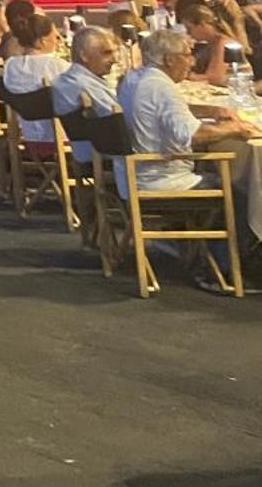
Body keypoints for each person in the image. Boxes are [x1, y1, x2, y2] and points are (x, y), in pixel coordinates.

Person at [118, 27, 260, 292]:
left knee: (227, 175)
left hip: (133, 175)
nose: (191, 61)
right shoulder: (161, 87)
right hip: (160, 180)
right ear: (169, 59)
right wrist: (235, 130)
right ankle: (221, 268)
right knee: (244, 192)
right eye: (186, 54)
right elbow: (194, 136)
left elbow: (170, 111)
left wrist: (211, 110)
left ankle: (197, 249)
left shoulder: (135, 78)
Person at [53, 26, 122, 170]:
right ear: (84, 56)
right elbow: (118, 119)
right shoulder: (82, 85)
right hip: (106, 157)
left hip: (89, 153)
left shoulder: (67, 79)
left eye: (116, 52)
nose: (115, 59)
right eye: (107, 53)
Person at [2, 11, 69, 151]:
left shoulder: (11, 65)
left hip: (27, 135)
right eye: (55, 36)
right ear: (43, 40)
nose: (58, 40)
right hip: (60, 138)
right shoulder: (58, 66)